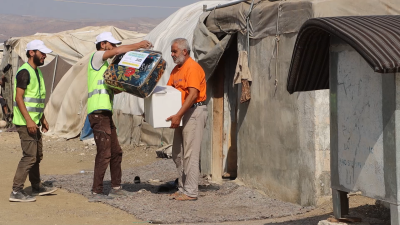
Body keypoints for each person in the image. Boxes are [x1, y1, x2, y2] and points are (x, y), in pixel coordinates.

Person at [87, 32, 152, 201]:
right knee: (104, 153)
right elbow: (117, 52)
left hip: (105, 113)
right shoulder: (97, 57)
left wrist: (128, 82)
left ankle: (116, 187)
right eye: (112, 45)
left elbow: (114, 90)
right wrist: (138, 45)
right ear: (103, 44)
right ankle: (97, 191)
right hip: (98, 113)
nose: (115, 48)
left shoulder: (105, 67)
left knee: (116, 152)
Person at [9, 40, 57, 202]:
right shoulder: (25, 72)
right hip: (25, 122)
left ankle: (36, 186)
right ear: (31, 53)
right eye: (42, 53)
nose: (44, 56)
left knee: (37, 155)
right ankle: (16, 191)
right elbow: (19, 98)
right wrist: (29, 121)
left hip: (34, 121)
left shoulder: (37, 72)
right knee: (29, 156)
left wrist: (42, 119)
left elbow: (36, 100)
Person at [166, 38, 208, 201]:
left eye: (174, 51)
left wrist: (178, 115)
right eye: (171, 51)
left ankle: (191, 191)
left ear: (185, 51)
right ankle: (183, 188)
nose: (172, 54)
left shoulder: (192, 68)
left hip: (193, 112)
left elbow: (192, 95)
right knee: (178, 152)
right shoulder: (176, 70)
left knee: (190, 153)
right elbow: (169, 91)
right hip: (182, 113)